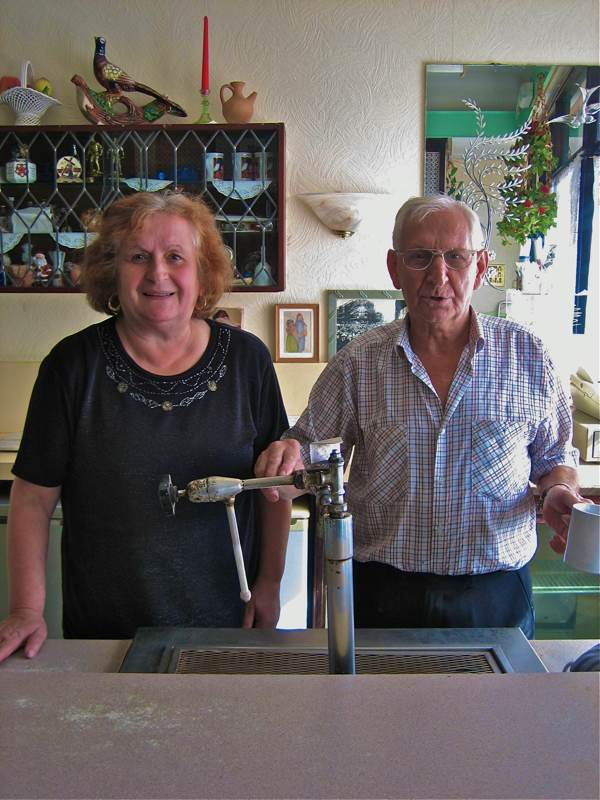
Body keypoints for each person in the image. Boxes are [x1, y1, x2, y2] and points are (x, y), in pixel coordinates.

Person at [255, 194, 585, 638]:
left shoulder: (528, 355)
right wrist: (289, 454)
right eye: (420, 257)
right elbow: (310, 452)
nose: (438, 275)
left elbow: (554, 458)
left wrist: (559, 490)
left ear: (480, 267)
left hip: (495, 595)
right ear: (394, 268)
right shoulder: (357, 363)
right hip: (382, 593)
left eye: (456, 257)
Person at [0, 191, 291, 663]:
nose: (158, 273)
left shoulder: (247, 360)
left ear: (202, 271)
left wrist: (270, 583)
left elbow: (275, 487)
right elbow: (33, 498)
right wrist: (26, 609)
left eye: (176, 257)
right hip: (104, 638)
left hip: (228, 626)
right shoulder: (71, 366)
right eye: (138, 257)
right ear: (112, 271)